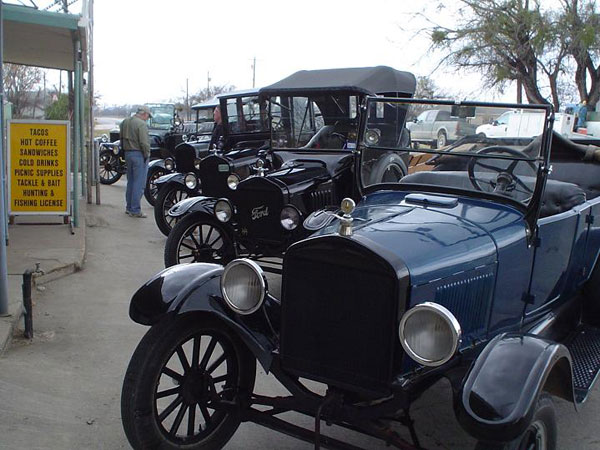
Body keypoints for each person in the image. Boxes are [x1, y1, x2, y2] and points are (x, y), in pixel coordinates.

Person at [120, 105, 152, 217]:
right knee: (139, 183)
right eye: (148, 116)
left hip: (128, 153)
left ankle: (129, 207)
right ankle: (135, 210)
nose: (147, 119)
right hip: (139, 154)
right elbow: (144, 142)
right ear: (144, 114)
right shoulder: (141, 124)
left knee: (131, 181)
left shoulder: (125, 122)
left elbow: (121, 138)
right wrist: (147, 154)